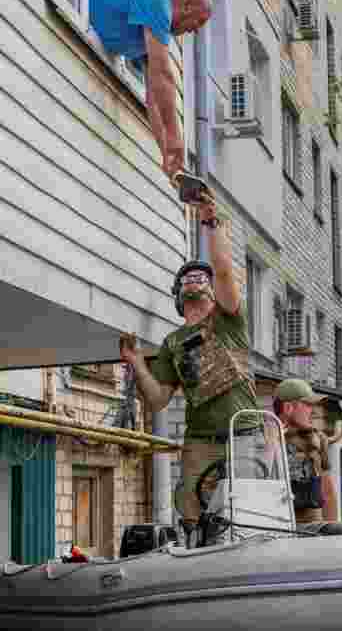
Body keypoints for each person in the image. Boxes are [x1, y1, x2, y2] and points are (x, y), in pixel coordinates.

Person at [119, 187, 256, 546]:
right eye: (188, 278)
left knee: (252, 510)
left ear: (212, 290)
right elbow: (159, 400)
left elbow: (225, 272)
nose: (195, 280)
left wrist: (210, 220)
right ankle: (196, 549)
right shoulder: (172, 343)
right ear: (178, 295)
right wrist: (136, 364)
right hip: (199, 439)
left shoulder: (229, 321)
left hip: (244, 434)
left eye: (202, 277)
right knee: (191, 510)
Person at [86, 0, 212, 179]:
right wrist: (174, 136)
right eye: (200, 21)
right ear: (187, 5)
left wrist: (168, 155)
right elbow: (163, 73)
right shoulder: (159, 3)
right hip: (62, 3)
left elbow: (154, 99)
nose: (196, 30)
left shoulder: (150, 32)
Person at [272, 379, 342, 537]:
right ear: (288, 407)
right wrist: (274, 438)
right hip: (278, 527)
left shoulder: (317, 440)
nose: (313, 411)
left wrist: (333, 537)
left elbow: (328, 492)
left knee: (341, 530)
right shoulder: (267, 438)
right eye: (308, 405)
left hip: (310, 528)